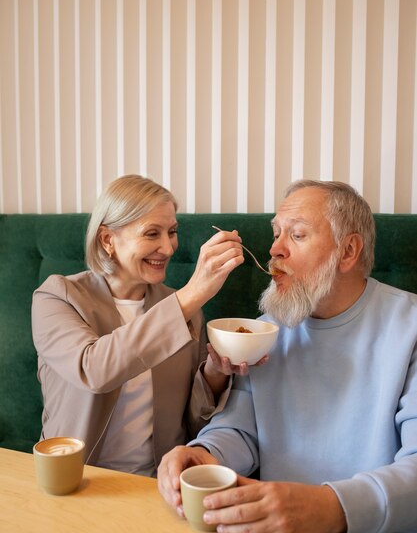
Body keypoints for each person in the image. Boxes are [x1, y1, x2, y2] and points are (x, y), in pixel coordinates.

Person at [157, 180, 417, 533]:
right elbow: (240, 430)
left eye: (296, 234)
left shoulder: (410, 328)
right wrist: (206, 455)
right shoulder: (263, 331)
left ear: (348, 251)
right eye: (276, 233)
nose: (275, 249)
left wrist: (326, 508)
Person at [31, 173, 254, 477]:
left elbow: (193, 422)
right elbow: (94, 369)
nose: (168, 247)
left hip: (155, 481)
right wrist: (193, 293)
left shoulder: (181, 307)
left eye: (172, 232)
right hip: (76, 479)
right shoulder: (57, 297)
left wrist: (216, 373)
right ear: (108, 239)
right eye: (152, 234)